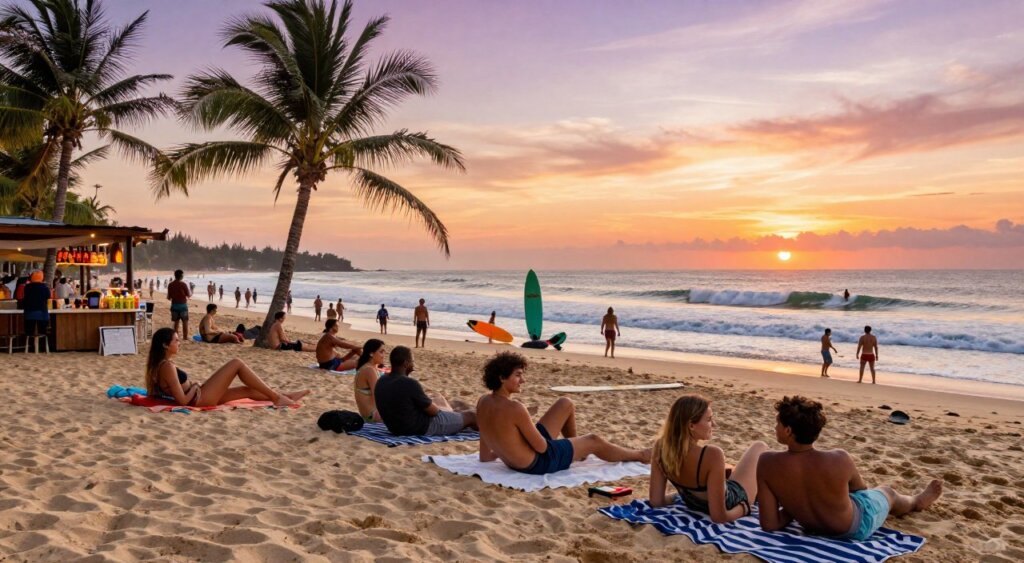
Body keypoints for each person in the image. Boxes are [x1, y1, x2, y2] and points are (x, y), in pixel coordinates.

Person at [757, 396, 942, 540]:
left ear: (788, 431)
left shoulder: (766, 462)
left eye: (777, 424)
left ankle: (915, 501)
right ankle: (915, 502)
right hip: (853, 529)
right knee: (888, 493)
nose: (775, 428)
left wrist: (795, 505)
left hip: (810, 526)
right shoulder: (839, 458)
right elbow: (860, 490)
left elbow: (769, 524)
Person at [476, 351, 650, 475]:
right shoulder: (515, 408)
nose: (523, 380)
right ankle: (641, 456)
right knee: (594, 440)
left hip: (521, 458)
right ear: (501, 378)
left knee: (565, 403)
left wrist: (508, 448)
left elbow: (485, 457)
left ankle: (577, 453)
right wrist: (523, 429)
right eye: (518, 375)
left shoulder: (482, 402)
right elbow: (542, 447)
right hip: (537, 463)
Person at [649, 395, 767, 523]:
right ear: (691, 425)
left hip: (695, 502)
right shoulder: (711, 454)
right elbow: (720, 517)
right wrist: (745, 507)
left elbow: (657, 501)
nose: (714, 424)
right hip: (734, 500)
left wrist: (682, 496)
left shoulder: (661, 448)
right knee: (760, 447)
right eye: (709, 419)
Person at [145, 327, 308, 407]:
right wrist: (194, 388)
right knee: (236, 363)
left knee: (246, 390)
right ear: (166, 345)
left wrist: (195, 387)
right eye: (176, 341)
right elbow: (182, 401)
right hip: (200, 399)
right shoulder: (166, 367)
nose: (179, 343)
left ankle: (285, 396)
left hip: (201, 394)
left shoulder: (161, 365)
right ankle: (277, 397)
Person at [375, 346, 476, 436]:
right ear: (406, 363)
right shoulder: (409, 383)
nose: (413, 364)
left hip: (395, 428)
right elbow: (434, 412)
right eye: (412, 361)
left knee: (457, 407)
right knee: (471, 415)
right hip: (422, 427)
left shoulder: (381, 381)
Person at [353, 339, 386, 422]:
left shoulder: (368, 367)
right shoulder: (369, 370)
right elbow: (378, 397)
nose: (383, 355)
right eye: (381, 352)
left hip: (368, 415)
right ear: (371, 353)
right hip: (372, 416)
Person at [22, 270, 50, 340]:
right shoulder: (45, 288)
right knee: (42, 331)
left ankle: (30, 346)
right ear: (42, 278)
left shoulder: (27, 287)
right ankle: (42, 346)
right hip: (42, 313)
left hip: (29, 313)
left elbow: (24, 297)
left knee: (29, 332)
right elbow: (48, 297)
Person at [167, 270, 192, 341]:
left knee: (176, 322)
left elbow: (169, 297)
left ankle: (176, 338)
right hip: (183, 306)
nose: (183, 276)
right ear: (181, 276)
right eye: (182, 275)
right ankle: (185, 337)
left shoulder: (170, 284)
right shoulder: (183, 284)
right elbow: (188, 295)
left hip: (174, 306)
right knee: (185, 322)